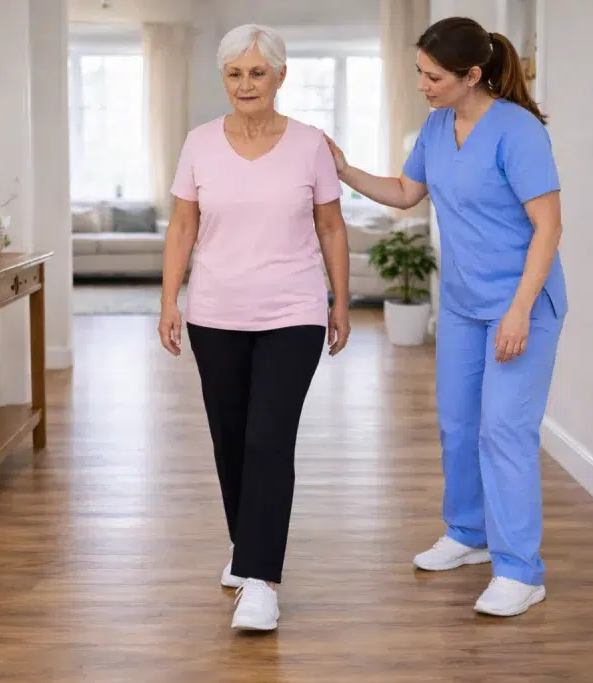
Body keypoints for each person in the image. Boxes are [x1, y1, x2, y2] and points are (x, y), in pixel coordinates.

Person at [325, 16, 566, 617]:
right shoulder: (437, 127)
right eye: (420, 73)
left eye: (433, 77)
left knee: (504, 431)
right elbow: (406, 193)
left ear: (472, 75)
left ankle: (521, 571)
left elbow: (548, 228)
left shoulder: (518, 132)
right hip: (461, 305)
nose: (423, 86)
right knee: (458, 426)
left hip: (520, 305)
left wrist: (519, 311)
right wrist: (344, 169)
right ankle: (468, 533)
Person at [157, 23, 352, 632]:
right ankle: (247, 549)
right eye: (235, 73)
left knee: (269, 438)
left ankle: (262, 581)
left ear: (280, 76)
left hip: (293, 312)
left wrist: (341, 301)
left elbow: (331, 227)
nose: (246, 84)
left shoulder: (310, 145)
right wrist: (168, 301)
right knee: (231, 439)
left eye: (258, 72)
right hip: (215, 313)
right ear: (224, 78)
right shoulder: (198, 143)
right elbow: (182, 227)